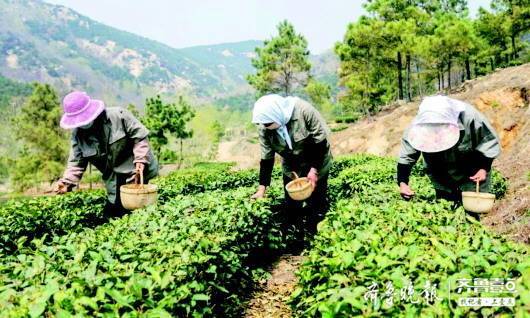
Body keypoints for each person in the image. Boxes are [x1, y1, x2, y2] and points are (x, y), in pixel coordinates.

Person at [55, 91, 159, 217]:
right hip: (113, 178)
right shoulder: (78, 135)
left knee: (139, 209)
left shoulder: (119, 116)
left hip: (138, 170)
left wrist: (141, 160)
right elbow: (76, 163)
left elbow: (140, 137)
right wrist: (66, 183)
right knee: (113, 212)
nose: (83, 124)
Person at [251, 94, 332, 244]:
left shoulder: (304, 111)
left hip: (316, 157)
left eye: (268, 123)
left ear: (276, 114)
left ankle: (317, 238)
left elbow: (320, 141)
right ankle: (296, 239)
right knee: (291, 204)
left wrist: (314, 170)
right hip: (292, 165)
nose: (265, 127)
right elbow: (267, 158)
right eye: (263, 124)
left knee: (317, 200)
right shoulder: (265, 128)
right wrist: (262, 189)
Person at [397, 95, 501, 210]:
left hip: (472, 172)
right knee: (447, 208)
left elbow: (488, 141)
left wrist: (484, 168)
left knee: (475, 209)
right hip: (440, 172)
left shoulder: (471, 118)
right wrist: (403, 182)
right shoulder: (418, 126)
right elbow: (407, 155)